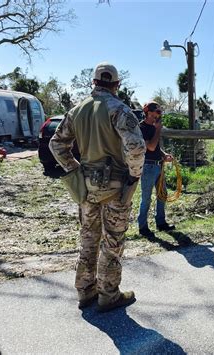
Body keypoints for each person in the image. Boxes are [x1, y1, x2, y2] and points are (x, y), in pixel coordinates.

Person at [50, 62, 146, 312]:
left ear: (93, 82)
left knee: (88, 240)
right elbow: (135, 147)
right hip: (116, 188)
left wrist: (73, 169)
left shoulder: (77, 110)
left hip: (86, 188)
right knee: (112, 243)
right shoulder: (120, 110)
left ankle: (85, 290)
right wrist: (134, 176)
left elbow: (57, 144)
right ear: (116, 84)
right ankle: (109, 294)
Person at [137, 101, 175, 239]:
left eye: (159, 112)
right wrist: (158, 128)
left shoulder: (154, 128)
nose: (158, 115)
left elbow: (156, 148)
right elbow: (150, 147)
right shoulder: (141, 128)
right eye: (156, 112)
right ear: (148, 112)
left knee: (162, 194)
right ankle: (142, 227)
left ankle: (160, 222)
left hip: (158, 165)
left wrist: (164, 155)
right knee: (146, 198)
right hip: (148, 166)